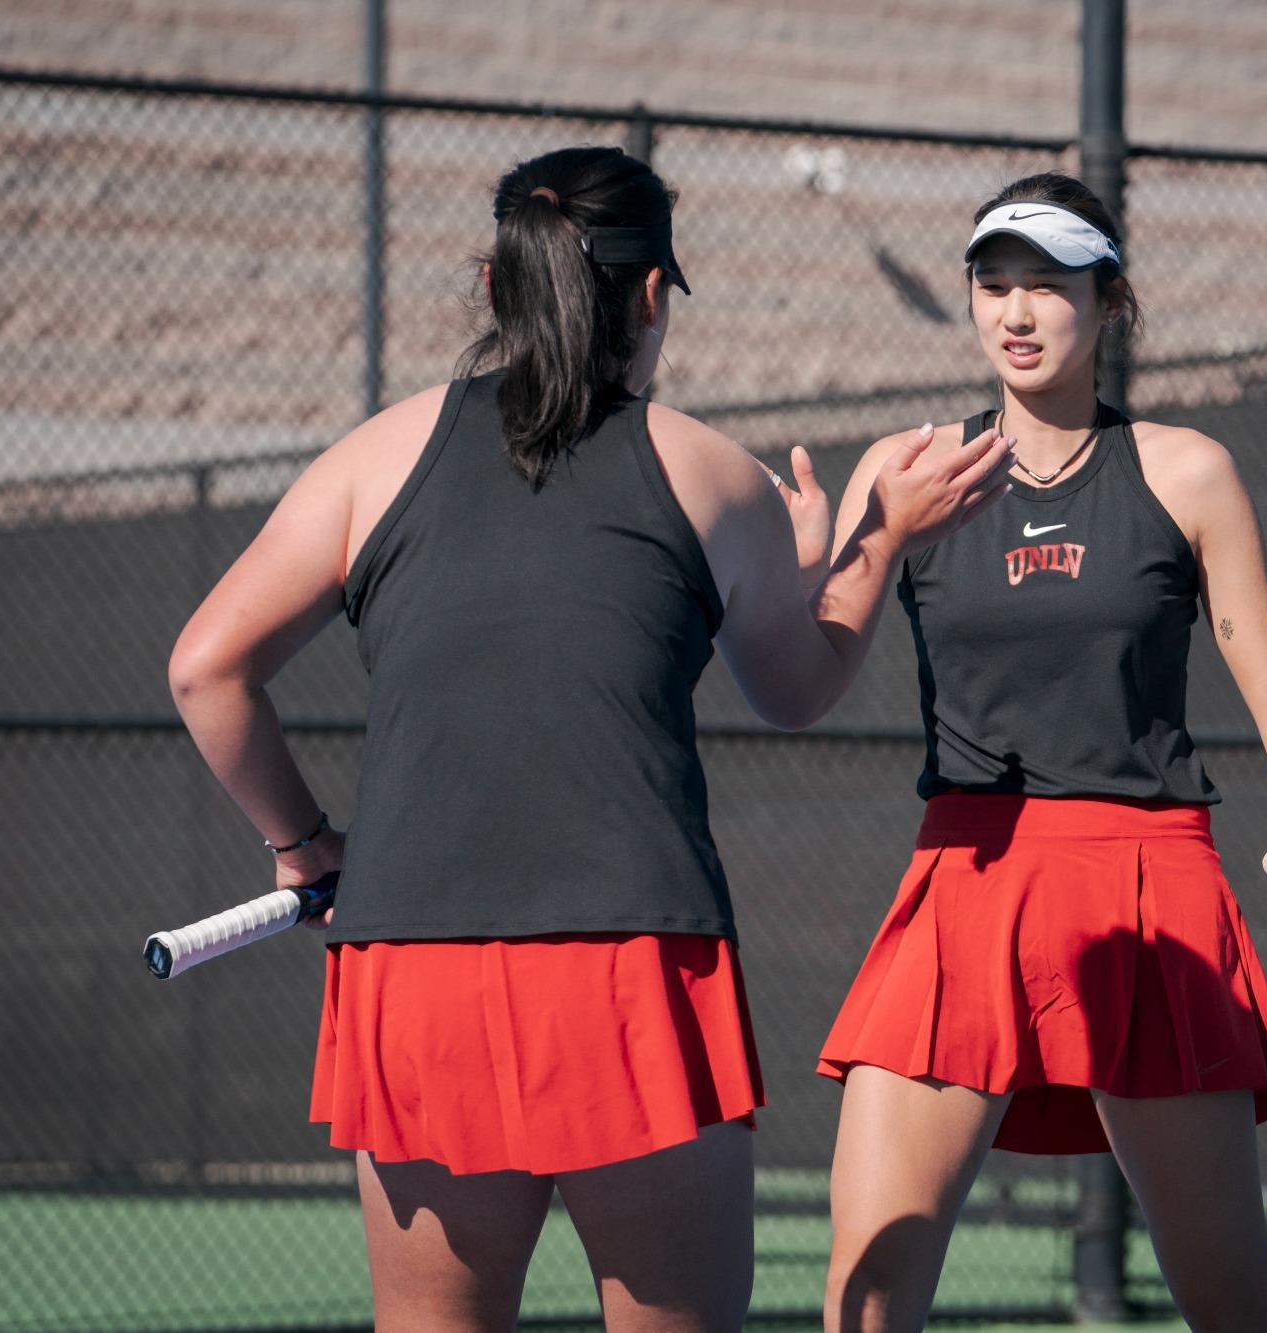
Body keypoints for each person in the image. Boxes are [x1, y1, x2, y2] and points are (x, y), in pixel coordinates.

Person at [167, 145, 1012, 1333]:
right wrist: (870, 542)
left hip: (415, 970)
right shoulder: (715, 475)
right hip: (627, 971)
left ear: (491, 280)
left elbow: (206, 668)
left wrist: (303, 846)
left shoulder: (371, 457)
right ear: (654, 296)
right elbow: (797, 683)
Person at [816, 172, 1267, 1333]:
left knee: (1235, 1307)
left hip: (1149, 892)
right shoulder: (903, 465)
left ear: (1106, 299)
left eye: (1045, 285)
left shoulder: (1186, 471)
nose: (1014, 312)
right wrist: (847, 547)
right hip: (964, 882)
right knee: (861, 1307)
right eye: (992, 284)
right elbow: (804, 668)